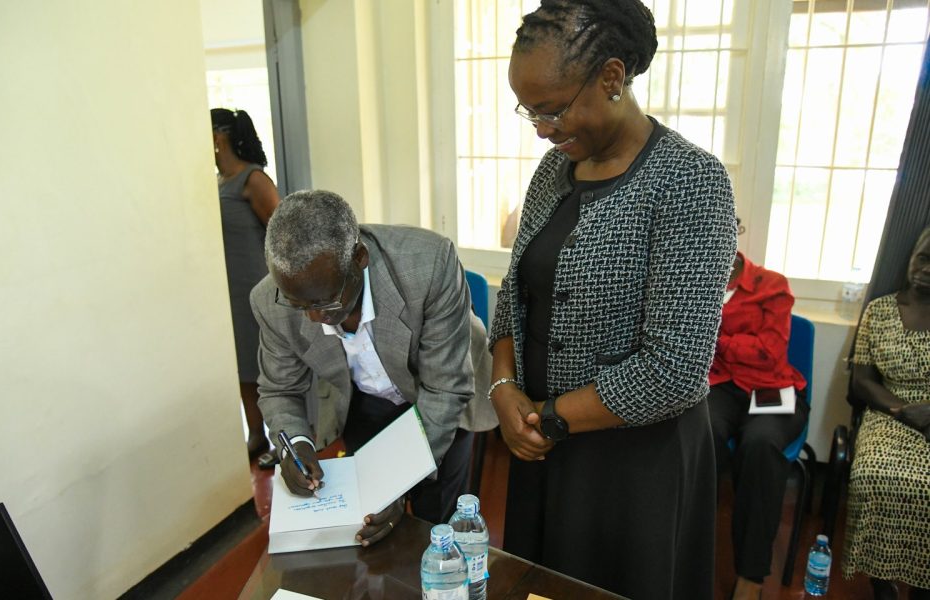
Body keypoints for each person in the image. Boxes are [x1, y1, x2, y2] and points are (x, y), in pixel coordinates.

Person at [489, 1, 737, 598]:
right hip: (542, 446)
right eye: (529, 110)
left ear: (611, 77)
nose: (542, 128)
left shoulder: (690, 180)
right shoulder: (553, 171)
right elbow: (514, 296)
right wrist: (503, 388)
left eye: (552, 109)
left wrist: (548, 417)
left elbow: (675, 369)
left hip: (633, 464)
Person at [250, 189, 491, 546]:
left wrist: (400, 484)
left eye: (327, 301)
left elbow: (445, 389)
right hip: (362, 398)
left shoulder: (428, 264)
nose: (314, 318)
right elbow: (279, 389)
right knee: (368, 516)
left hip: (438, 392)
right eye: (299, 304)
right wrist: (295, 444)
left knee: (435, 518)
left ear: (359, 258)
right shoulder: (270, 301)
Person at [707, 222, 809, 600]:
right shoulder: (695, 281)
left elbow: (769, 352)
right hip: (720, 385)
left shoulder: (772, 285)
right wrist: (732, 343)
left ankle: (751, 574)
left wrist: (717, 339)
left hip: (772, 387)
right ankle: (688, 544)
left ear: (734, 233)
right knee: (700, 434)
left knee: (761, 446)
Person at [843, 227, 930, 600]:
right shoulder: (879, 311)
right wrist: (903, 410)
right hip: (889, 410)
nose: (926, 269)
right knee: (873, 475)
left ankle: (923, 583)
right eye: (923, 258)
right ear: (910, 257)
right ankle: (881, 580)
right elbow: (862, 381)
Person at [210, 108, 282, 464]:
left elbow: (282, 231)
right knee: (242, 364)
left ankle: (285, 439)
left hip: (257, 285)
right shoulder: (216, 182)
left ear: (218, 138)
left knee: (270, 365)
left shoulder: (252, 180)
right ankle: (256, 436)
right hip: (227, 291)